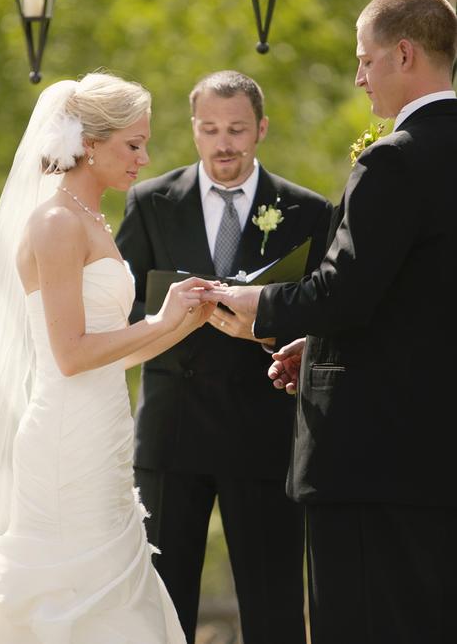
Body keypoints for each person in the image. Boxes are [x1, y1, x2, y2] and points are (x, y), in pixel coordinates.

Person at [204, 0, 457, 644]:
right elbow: (418, 296)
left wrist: (254, 304)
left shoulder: (396, 159)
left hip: (375, 459)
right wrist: (319, 345)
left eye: (365, 60)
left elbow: (344, 290)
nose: (359, 77)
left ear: (403, 53)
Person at [0, 71, 218, 643]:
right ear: (89, 145)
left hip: (105, 434)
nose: (144, 158)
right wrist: (156, 322)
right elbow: (70, 357)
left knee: (119, 591)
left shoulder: (93, 219)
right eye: (133, 144)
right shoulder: (55, 222)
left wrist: (182, 321)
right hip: (67, 440)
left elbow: (110, 354)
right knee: (77, 597)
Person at [116, 70, 332, 644]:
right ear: (193, 130)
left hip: (263, 431)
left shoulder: (307, 211)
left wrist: (265, 324)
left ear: (260, 128)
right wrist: (168, 314)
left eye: (236, 129)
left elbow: (326, 313)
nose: (224, 143)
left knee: (275, 607)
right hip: (172, 432)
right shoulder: (151, 201)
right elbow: (117, 306)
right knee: (163, 605)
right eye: (210, 129)